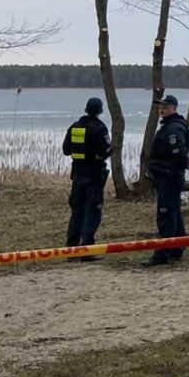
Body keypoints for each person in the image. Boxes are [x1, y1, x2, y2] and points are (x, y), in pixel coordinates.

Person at [144, 93, 189, 266]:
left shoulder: (174, 128)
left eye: (165, 107)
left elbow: (178, 154)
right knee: (174, 213)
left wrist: (165, 170)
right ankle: (177, 247)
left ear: (174, 108)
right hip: (168, 177)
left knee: (165, 215)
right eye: (160, 107)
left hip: (169, 178)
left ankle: (163, 254)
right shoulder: (170, 126)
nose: (161, 110)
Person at [61, 97, 111, 260]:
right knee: (93, 212)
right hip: (94, 175)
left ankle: (71, 249)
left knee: (77, 212)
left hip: (78, 175)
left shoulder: (75, 127)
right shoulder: (100, 128)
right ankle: (87, 250)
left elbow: (66, 150)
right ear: (100, 111)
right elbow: (104, 151)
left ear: (85, 109)